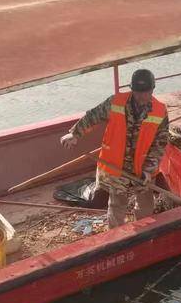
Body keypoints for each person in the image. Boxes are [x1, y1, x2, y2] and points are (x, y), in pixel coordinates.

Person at [60, 69, 169, 228]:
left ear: (152, 89)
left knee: (145, 205)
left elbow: (159, 143)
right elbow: (94, 115)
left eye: (145, 92)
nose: (141, 97)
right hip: (117, 167)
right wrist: (75, 133)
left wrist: (148, 169)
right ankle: (116, 234)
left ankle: (144, 232)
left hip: (143, 168)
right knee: (117, 204)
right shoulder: (116, 102)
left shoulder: (160, 111)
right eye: (138, 92)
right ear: (132, 89)